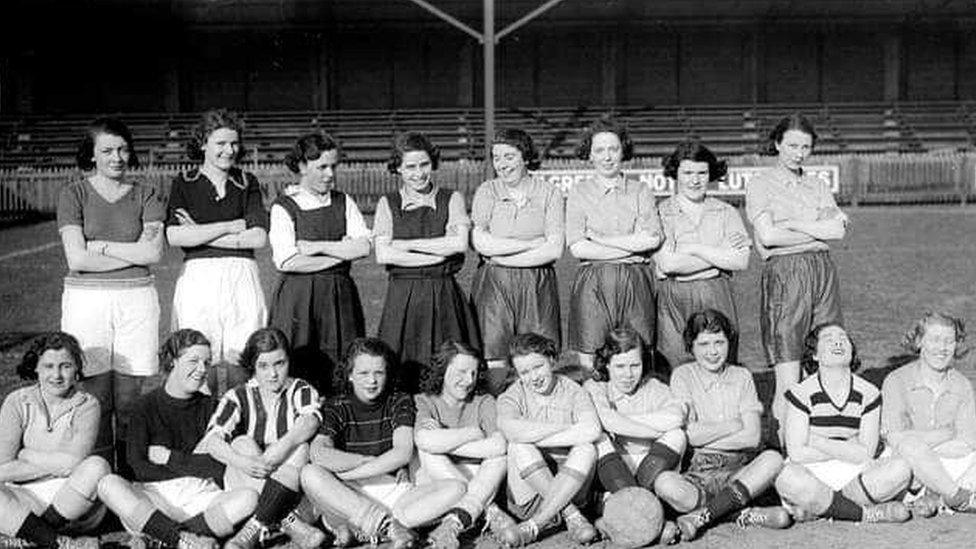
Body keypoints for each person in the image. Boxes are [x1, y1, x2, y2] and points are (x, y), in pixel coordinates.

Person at [58, 117, 165, 466]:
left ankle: (130, 472)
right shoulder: (73, 193)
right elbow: (76, 257)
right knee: (96, 395)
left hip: (137, 299)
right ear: (91, 155)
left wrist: (100, 247)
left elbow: (152, 253)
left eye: (122, 149)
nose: (116, 157)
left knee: (130, 396)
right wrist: (125, 251)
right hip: (86, 301)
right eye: (107, 150)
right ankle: (101, 472)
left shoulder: (146, 193)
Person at [97, 329, 258, 549]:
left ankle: (161, 537)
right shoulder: (144, 406)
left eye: (207, 362)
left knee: (248, 497)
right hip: (154, 499)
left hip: (202, 496)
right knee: (108, 484)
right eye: (193, 361)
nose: (202, 370)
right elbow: (137, 468)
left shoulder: (212, 407)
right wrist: (195, 464)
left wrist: (169, 457)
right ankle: (185, 538)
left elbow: (220, 467)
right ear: (172, 362)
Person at [300, 338, 464, 549]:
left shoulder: (399, 400)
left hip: (392, 490)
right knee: (310, 474)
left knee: (457, 487)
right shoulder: (337, 405)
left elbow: (402, 453)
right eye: (363, 373)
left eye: (379, 373)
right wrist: (360, 460)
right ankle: (386, 527)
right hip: (350, 495)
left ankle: (377, 530)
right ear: (350, 375)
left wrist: (350, 471)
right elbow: (319, 452)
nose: (372, 381)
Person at [744, 113, 849, 441]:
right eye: (792, 145)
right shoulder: (761, 184)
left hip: (822, 274)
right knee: (788, 373)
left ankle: (822, 442)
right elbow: (769, 237)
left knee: (826, 366)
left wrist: (794, 225)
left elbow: (837, 231)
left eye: (805, 147)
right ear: (777, 144)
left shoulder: (817, 184)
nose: (798, 153)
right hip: (786, 277)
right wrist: (816, 234)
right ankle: (786, 452)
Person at [653, 310, 790, 541]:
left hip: (738, 467)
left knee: (773, 460)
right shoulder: (682, 375)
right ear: (691, 346)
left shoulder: (742, 375)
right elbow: (691, 436)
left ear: (729, 342)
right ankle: (736, 513)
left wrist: (708, 434)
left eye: (719, 342)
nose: (713, 351)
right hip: (697, 470)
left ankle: (700, 517)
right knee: (665, 483)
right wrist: (734, 424)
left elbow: (752, 437)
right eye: (704, 344)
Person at [166, 109, 268, 397]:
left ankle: (241, 426)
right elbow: (174, 235)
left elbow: (258, 236)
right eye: (220, 143)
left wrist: (200, 232)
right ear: (203, 143)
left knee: (241, 359)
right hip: (199, 275)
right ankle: (202, 428)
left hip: (242, 272)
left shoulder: (247, 182)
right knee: (198, 359)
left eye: (233, 143)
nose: (229, 150)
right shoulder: (184, 181)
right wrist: (229, 227)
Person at [775, 323, 912, 524]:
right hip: (812, 471)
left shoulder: (869, 393)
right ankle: (863, 514)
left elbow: (866, 452)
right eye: (829, 339)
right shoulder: (801, 393)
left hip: (855, 474)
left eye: (843, 338)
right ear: (815, 355)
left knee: (901, 469)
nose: (838, 342)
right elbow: (796, 452)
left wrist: (816, 441)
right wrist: (849, 447)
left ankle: (821, 510)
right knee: (785, 477)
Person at [374, 132, 480, 393]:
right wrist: (435, 252)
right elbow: (383, 254)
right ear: (398, 168)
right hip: (403, 295)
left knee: (451, 366)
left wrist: (407, 244)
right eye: (410, 166)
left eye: (424, 165)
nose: (418, 173)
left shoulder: (451, 198)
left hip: (443, 291)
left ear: (432, 164)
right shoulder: (388, 203)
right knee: (399, 367)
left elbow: (457, 244)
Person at [202, 328, 324, 549]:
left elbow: (310, 419)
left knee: (301, 448)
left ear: (289, 361)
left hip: (293, 487)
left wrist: (281, 447)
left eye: (280, 363)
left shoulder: (299, 389)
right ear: (252, 366)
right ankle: (287, 522)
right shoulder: (238, 395)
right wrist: (241, 461)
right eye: (264, 366)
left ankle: (255, 528)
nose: (273, 374)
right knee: (242, 444)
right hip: (249, 479)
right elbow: (213, 439)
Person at [268, 132, 369, 394]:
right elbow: (288, 261)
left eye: (333, 166)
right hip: (298, 299)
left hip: (339, 295)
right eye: (321, 167)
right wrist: (341, 253)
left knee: (342, 362)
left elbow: (364, 246)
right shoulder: (284, 206)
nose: (329, 174)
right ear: (301, 166)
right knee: (298, 363)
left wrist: (317, 248)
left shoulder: (343, 201)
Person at [471, 129, 564, 394]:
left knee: (537, 352)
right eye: (497, 157)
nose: (502, 164)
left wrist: (501, 257)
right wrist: (530, 244)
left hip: (536, 282)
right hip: (494, 283)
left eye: (509, 156)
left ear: (525, 157)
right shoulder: (487, 191)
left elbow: (554, 249)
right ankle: (497, 411)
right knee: (494, 352)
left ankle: (541, 411)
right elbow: (481, 242)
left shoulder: (549, 193)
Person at [566, 117, 661, 372]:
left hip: (635, 279)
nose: (607, 157)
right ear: (590, 155)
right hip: (593, 282)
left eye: (613, 149)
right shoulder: (579, 192)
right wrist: (632, 245)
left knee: (637, 351)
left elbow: (652, 239)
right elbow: (578, 247)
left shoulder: (640, 190)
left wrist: (600, 241)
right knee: (592, 355)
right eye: (599, 150)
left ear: (623, 151)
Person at [0, 332, 110, 549]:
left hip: (73, 501)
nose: (57, 375)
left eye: (65, 366)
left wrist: (26, 454)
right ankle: (56, 542)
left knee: (97, 466)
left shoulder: (87, 404)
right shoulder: (17, 401)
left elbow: (74, 464)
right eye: (49, 366)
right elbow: (2, 467)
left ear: (77, 368)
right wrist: (61, 465)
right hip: (24, 497)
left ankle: (31, 534)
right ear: (36, 368)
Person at [496, 333, 601, 546]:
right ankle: (570, 515)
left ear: (552, 360)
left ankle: (535, 527)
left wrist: (534, 435)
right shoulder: (512, 395)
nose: (533, 377)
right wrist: (566, 429)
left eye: (538, 367)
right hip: (531, 497)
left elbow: (591, 429)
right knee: (519, 446)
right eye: (524, 372)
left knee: (587, 448)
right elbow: (511, 431)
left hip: (572, 487)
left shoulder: (572, 389)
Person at [654, 140, 749, 370]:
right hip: (675, 299)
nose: (694, 180)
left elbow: (740, 260)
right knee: (677, 368)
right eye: (687, 172)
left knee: (721, 365)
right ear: (675, 173)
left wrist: (694, 249)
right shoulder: (660, 212)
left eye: (701, 173)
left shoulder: (727, 212)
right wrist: (718, 257)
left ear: (711, 174)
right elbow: (668, 264)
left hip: (717, 294)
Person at [413, 341, 517, 549]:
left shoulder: (484, 401)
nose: (468, 380)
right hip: (440, 480)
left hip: (481, 476)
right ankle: (488, 511)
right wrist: (473, 433)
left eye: (474, 373)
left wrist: (444, 439)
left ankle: (454, 522)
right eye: (461, 372)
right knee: (428, 453)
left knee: (500, 458)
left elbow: (498, 445)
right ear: (442, 370)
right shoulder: (424, 401)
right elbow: (424, 441)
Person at [882, 312, 976, 514]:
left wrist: (925, 454)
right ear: (918, 342)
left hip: (949, 461)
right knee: (902, 456)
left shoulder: (962, 384)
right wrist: (945, 434)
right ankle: (952, 497)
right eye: (934, 339)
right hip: (906, 463)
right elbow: (896, 439)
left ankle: (935, 496)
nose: (942, 348)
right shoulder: (896, 380)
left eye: (949, 341)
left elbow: (967, 443)